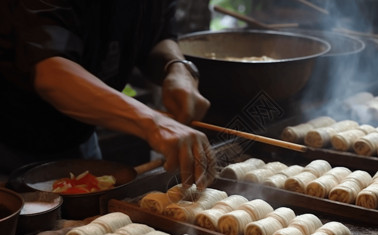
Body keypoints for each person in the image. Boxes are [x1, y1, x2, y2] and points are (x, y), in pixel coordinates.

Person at [0, 0, 216, 189]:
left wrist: (176, 68)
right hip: (10, 143)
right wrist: (154, 122)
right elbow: (51, 73)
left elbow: (159, 34)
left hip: (79, 136)